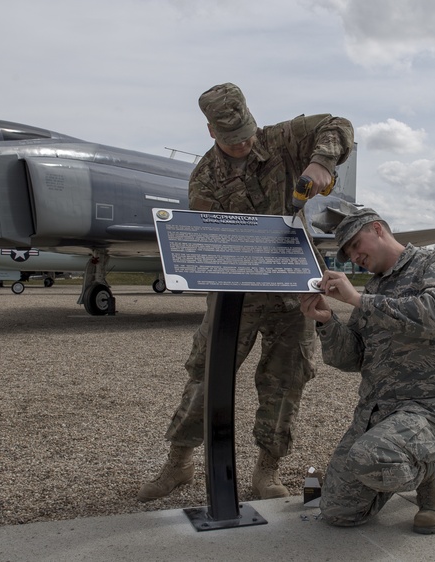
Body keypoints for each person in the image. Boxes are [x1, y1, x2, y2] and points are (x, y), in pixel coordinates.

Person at [138, 83, 355, 501]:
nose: (242, 145)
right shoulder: (206, 177)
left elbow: (337, 125)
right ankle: (179, 463)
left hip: (296, 291)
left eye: (246, 135)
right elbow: (211, 242)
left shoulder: (282, 139)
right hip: (236, 295)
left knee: (286, 380)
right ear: (210, 132)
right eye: (231, 141)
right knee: (205, 376)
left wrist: (323, 162)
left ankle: (267, 471)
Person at [298, 207, 435, 534]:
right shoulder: (374, 288)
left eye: (355, 244)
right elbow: (353, 357)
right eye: (346, 252)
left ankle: (433, 477)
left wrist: (359, 301)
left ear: (377, 229)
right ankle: (392, 467)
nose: (353, 256)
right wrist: (326, 320)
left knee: (373, 456)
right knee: (337, 512)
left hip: (430, 409)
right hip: (376, 413)